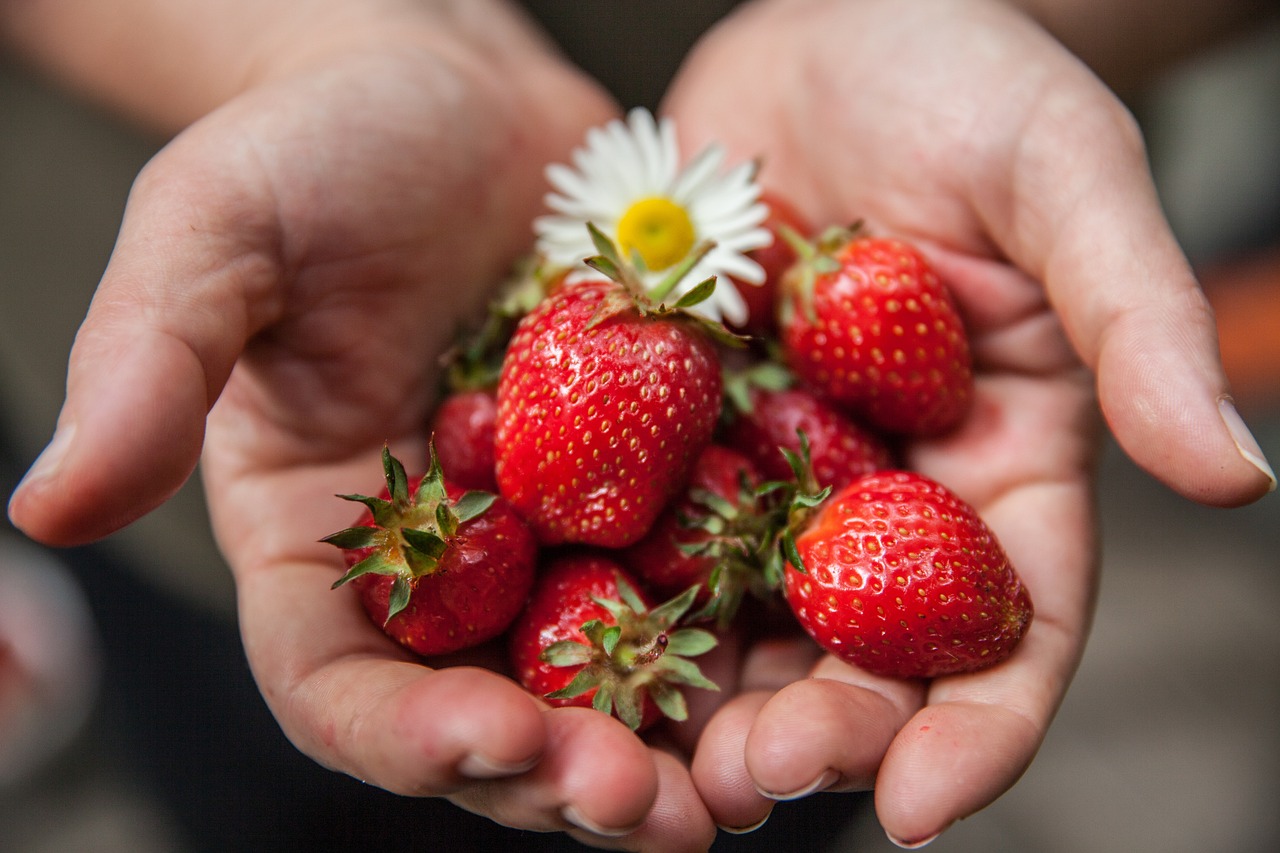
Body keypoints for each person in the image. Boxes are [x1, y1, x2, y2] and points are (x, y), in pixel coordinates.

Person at [2, 0, 1274, 850]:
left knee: (773, 788)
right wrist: (309, 47)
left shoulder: (687, 402)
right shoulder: (579, 413)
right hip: (260, 451)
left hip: (708, 596)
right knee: (258, 786)